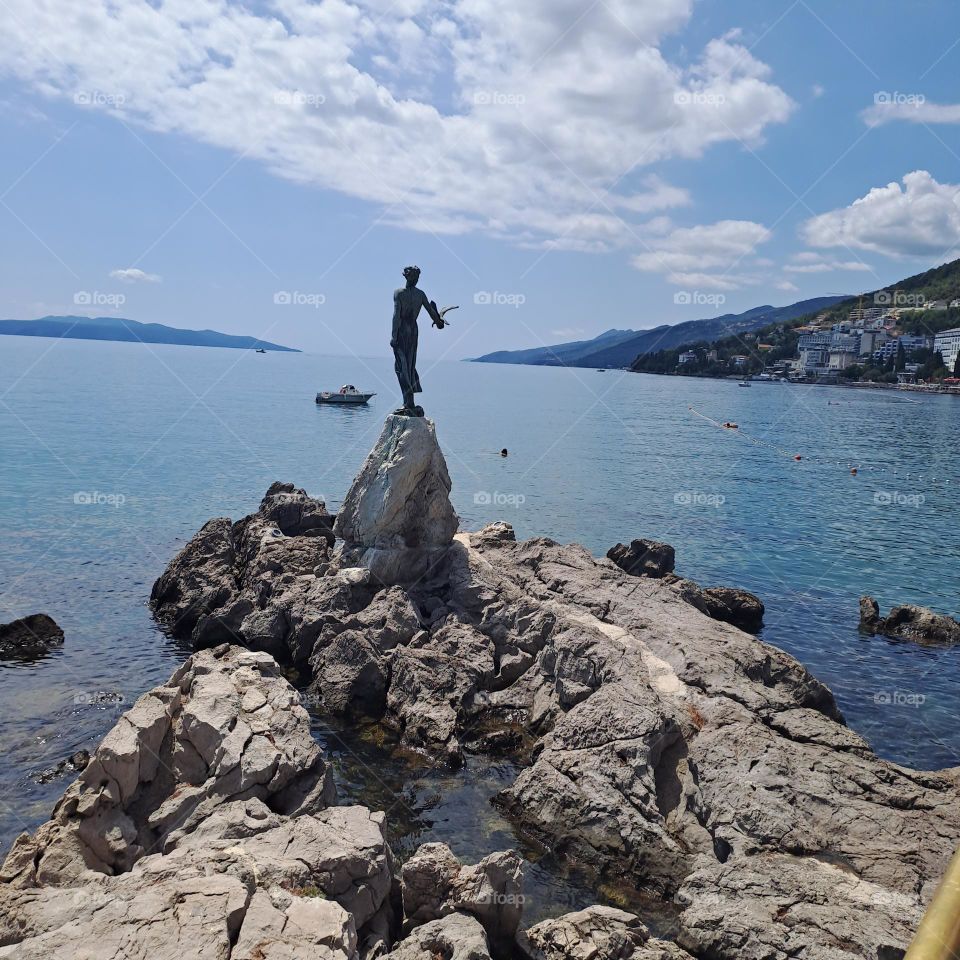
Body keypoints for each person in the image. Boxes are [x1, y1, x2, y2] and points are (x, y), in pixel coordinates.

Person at [391, 265, 444, 416]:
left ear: (405, 276)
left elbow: (396, 316)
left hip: (402, 330)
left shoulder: (399, 293)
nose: (417, 279)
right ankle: (410, 402)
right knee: (410, 365)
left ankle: (408, 403)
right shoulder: (421, 294)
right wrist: (439, 322)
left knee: (401, 367)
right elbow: (432, 313)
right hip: (413, 330)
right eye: (417, 277)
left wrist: (394, 336)